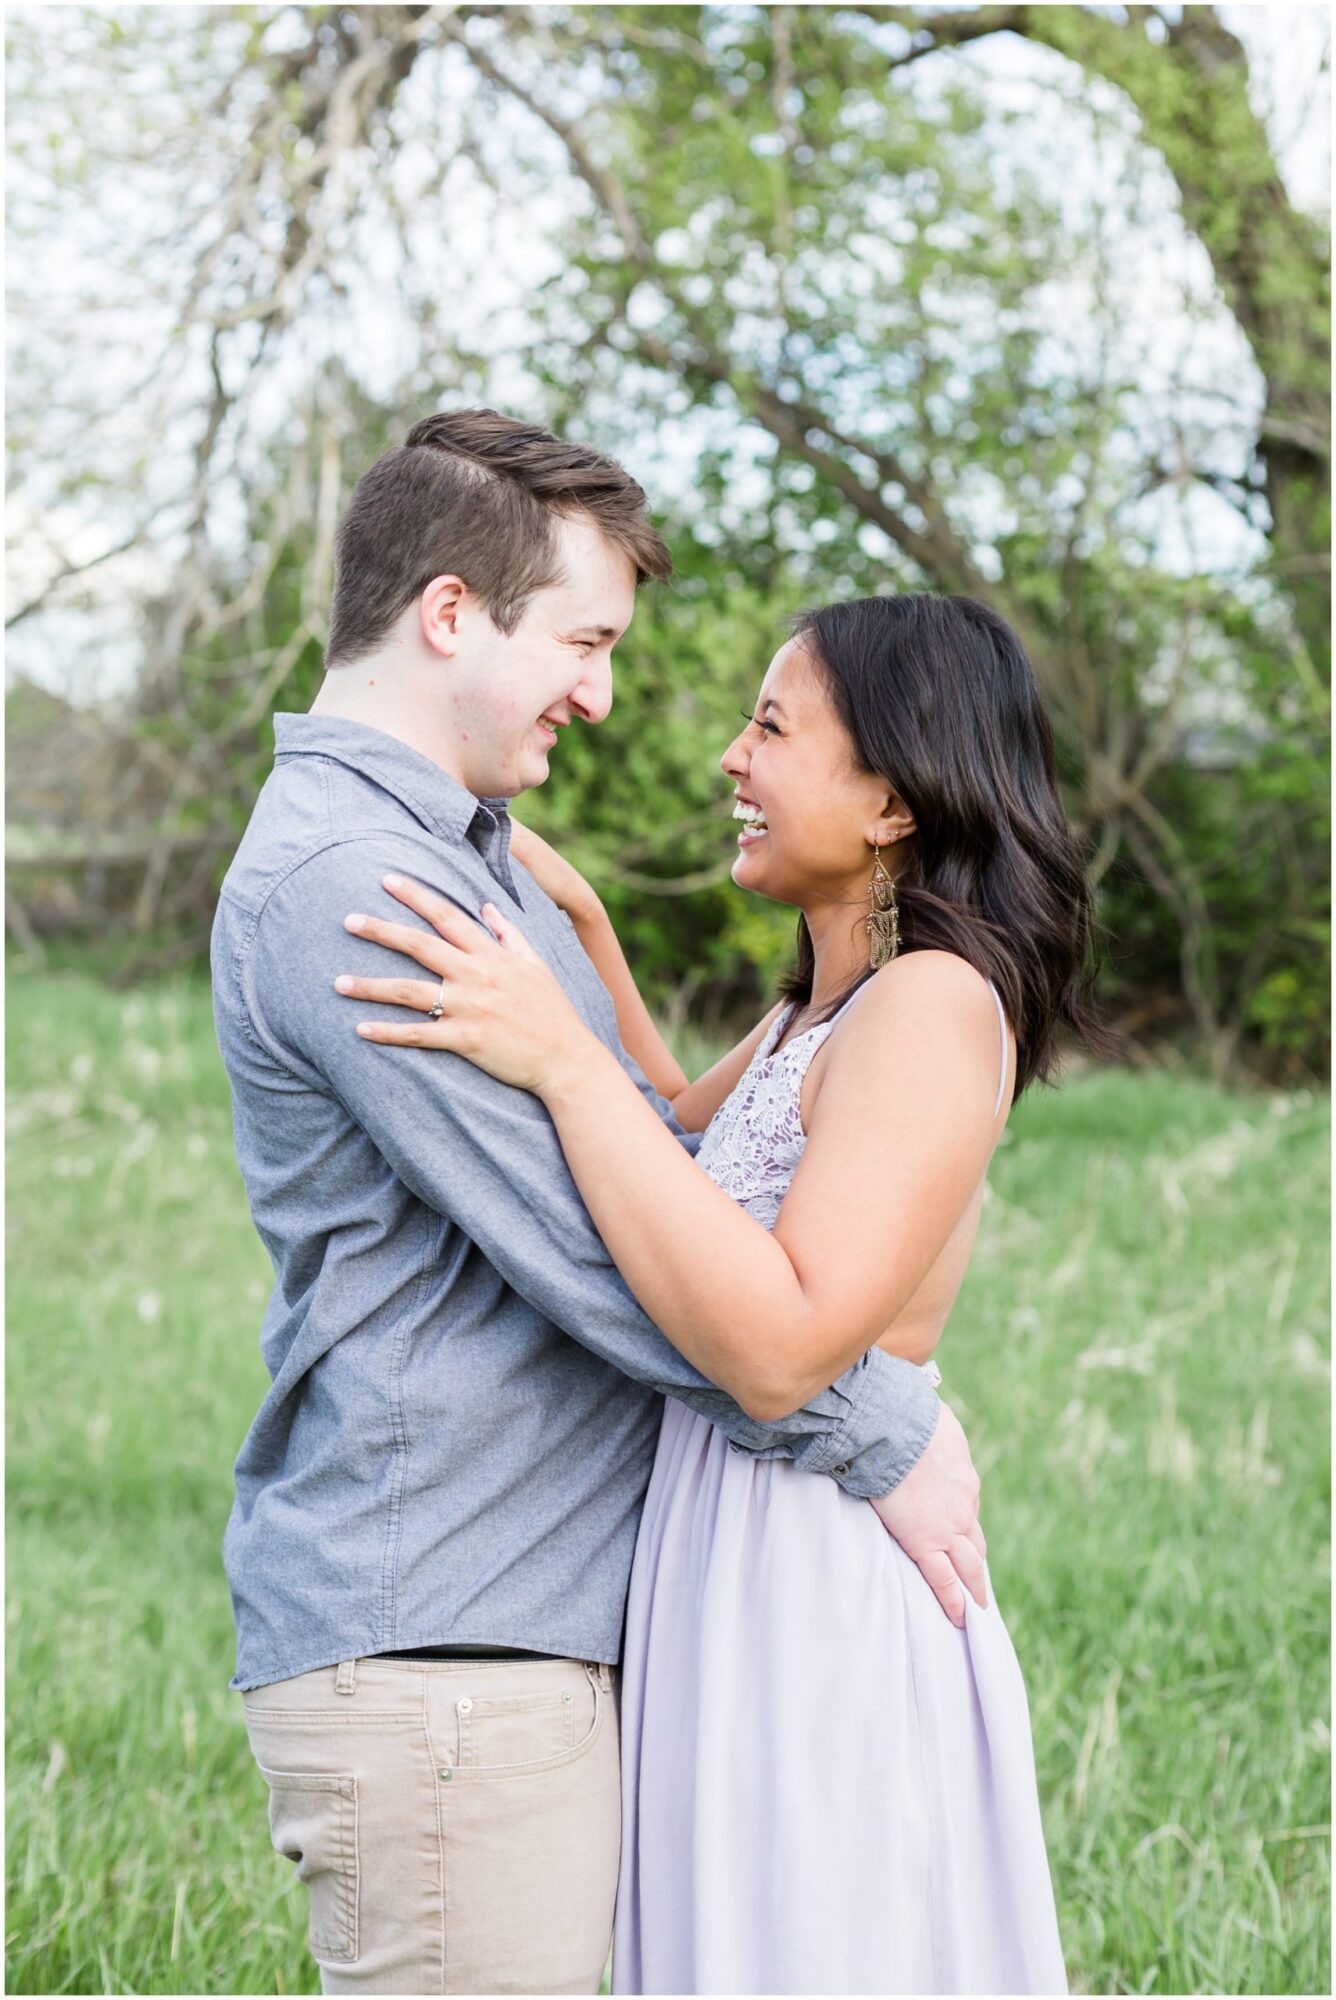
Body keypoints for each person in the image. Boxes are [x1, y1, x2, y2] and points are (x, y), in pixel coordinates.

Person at [212, 409, 987, 1996]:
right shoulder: (368, 888)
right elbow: (602, 1254)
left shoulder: (471, 864)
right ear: (449, 615)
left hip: (531, 1644)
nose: (607, 693)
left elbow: (644, 1157)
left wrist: (589, 965)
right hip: (449, 1660)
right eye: (584, 639)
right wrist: (881, 1433)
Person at [334, 590, 1108, 1994]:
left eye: (771, 727)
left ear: (889, 797)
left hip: (815, 1565)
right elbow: (668, 1142)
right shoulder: (815, 1006)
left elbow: (782, 1344)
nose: (732, 763)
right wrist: (575, 932)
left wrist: (556, 1057)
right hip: (725, 1542)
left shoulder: (935, 1005)